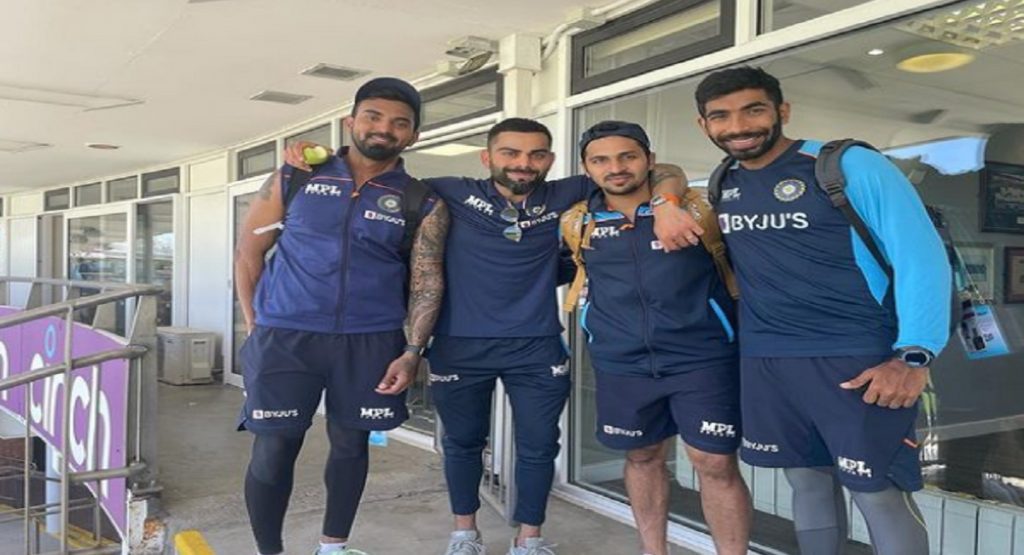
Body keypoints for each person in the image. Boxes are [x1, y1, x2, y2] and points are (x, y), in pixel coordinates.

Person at [286, 117, 700, 555]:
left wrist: (667, 203)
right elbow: (378, 176)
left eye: (536, 154)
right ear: (487, 157)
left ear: (550, 160)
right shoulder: (448, 190)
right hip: (459, 345)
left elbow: (663, 170)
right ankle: (465, 534)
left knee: (539, 446)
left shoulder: (568, 193)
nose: (523, 163)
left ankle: (529, 539)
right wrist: (324, 159)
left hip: (536, 345)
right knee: (462, 444)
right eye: (510, 153)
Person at [694, 66, 951, 555]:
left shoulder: (846, 165)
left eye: (753, 110)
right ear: (704, 125)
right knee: (806, 483)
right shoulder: (724, 180)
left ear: (782, 111)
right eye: (721, 116)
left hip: (857, 359)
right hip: (768, 361)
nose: (738, 126)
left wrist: (914, 356)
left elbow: (921, 258)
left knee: (877, 492)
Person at [234, 77, 449, 555]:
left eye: (399, 123)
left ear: (413, 136)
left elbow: (426, 281)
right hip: (286, 336)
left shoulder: (420, 200)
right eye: (373, 116)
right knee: (273, 447)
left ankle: (333, 546)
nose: (384, 128)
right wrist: (255, 324)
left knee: (351, 446)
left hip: (370, 340)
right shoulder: (295, 177)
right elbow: (249, 252)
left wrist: (413, 351)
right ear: (351, 121)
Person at [565, 121, 751, 555]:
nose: (616, 168)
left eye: (627, 156)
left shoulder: (697, 209)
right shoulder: (577, 221)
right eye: (601, 160)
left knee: (714, 462)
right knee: (642, 456)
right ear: (586, 168)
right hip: (621, 362)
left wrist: (666, 202)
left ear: (648, 159)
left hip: (701, 358)